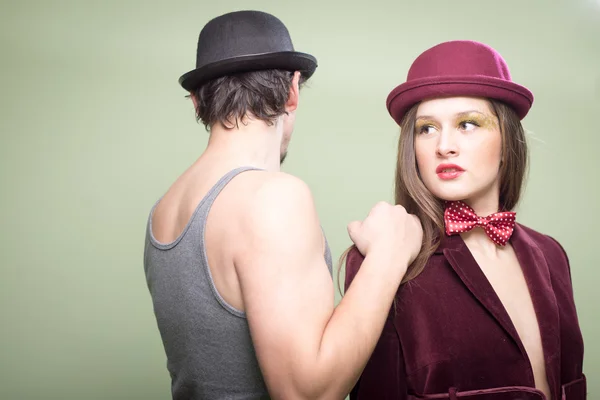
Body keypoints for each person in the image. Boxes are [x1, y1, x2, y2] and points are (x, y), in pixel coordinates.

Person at [143, 10, 423, 400]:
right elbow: (308, 393)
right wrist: (389, 256)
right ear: (293, 91)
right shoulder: (271, 197)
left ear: (196, 101)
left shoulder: (163, 211)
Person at [343, 40, 586, 400]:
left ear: (508, 142)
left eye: (468, 124)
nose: (444, 145)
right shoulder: (384, 259)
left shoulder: (551, 255)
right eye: (426, 129)